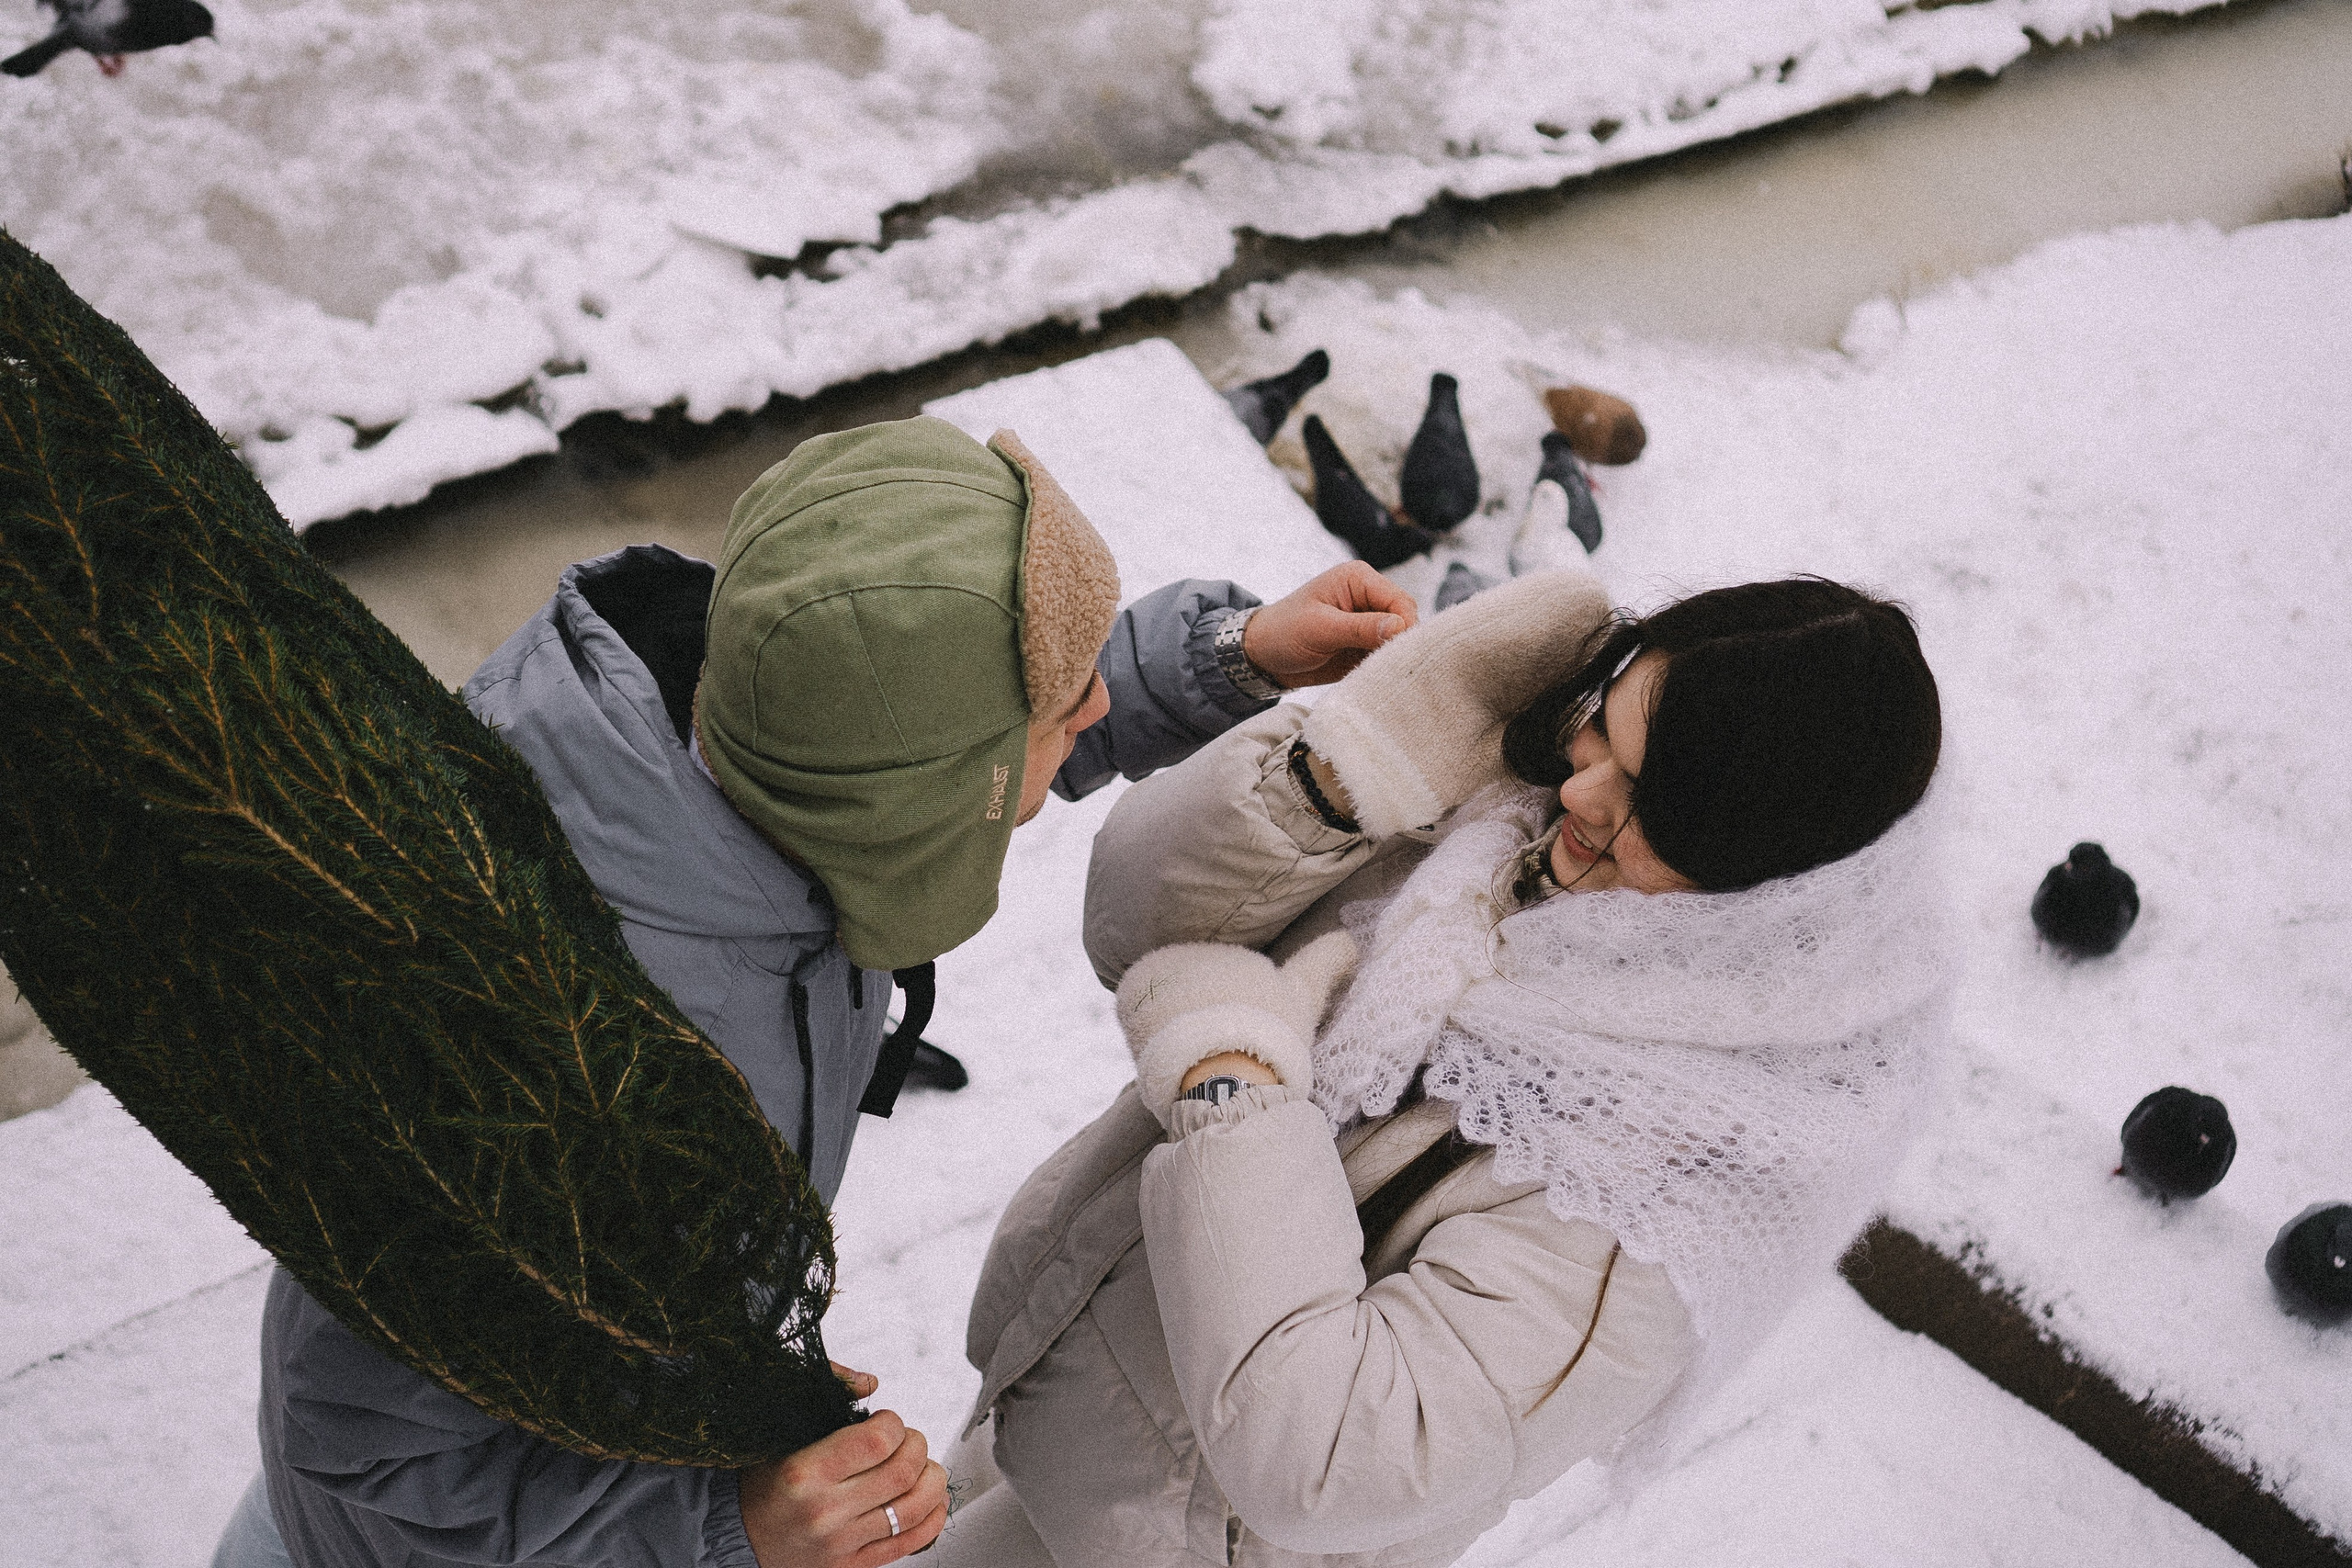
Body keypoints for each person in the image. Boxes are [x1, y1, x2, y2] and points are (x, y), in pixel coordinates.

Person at [211, 415, 1417, 1568]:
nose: (1093, 704)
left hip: (634, 1423)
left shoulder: (748, 735)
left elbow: (938, 705)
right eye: (1065, 704)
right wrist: (729, 1530)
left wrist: (1222, 655)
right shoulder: (529, 1067)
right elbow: (368, 1469)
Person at [937, 567, 1951, 1568]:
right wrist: (1360, 754)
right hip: (1065, 1377)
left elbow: (1329, 1458)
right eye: (1606, 724)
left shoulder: (1671, 1177)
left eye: (1656, 801)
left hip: (1172, 1537)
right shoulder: (1502, 830)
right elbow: (1137, 924)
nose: (1580, 789)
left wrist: (1231, 1083)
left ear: (1763, 877)